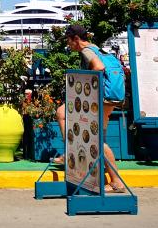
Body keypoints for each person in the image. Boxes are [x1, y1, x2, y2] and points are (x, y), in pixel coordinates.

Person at [53, 23, 127, 192]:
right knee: (62, 113)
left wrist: (87, 87)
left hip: (99, 98)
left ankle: (117, 181)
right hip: (108, 98)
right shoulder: (96, 48)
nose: (68, 44)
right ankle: (70, 151)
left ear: (76, 39)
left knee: (98, 140)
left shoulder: (86, 51)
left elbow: (99, 67)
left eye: (68, 40)